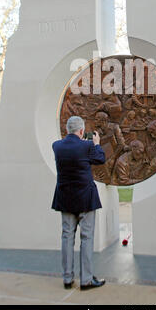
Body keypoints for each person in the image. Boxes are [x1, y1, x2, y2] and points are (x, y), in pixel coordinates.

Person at [51, 116, 106, 290]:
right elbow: (100, 159)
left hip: (65, 197)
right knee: (86, 238)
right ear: (82, 131)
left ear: (67, 129)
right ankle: (86, 280)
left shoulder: (56, 146)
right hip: (85, 198)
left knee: (67, 237)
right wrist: (96, 143)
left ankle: (67, 278)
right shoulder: (87, 146)